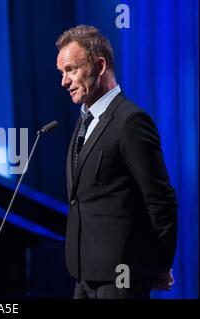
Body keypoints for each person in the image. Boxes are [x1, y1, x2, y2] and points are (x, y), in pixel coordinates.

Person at [55, 25, 178, 299]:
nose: (64, 81)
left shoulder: (130, 121)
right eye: (62, 73)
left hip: (120, 280)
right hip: (83, 277)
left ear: (100, 66)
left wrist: (160, 265)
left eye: (71, 69)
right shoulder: (84, 121)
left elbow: (161, 199)